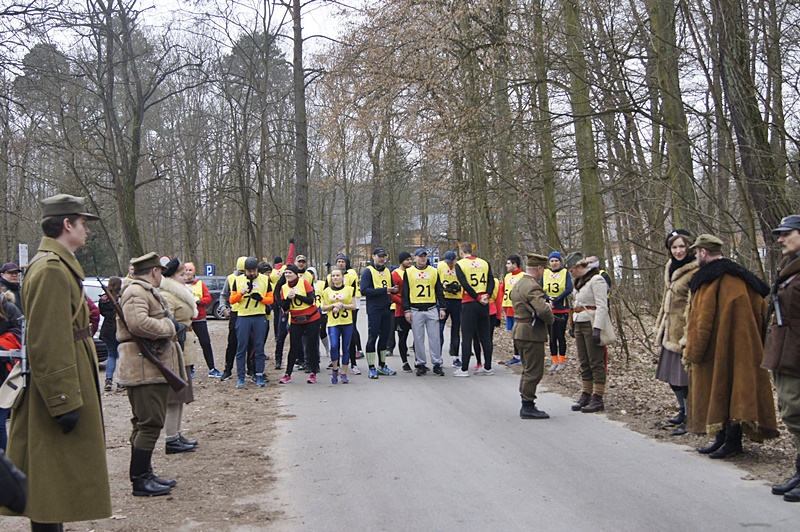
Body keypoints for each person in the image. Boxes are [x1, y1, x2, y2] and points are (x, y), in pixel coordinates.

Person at [3, 194, 112, 526]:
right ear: (67, 224)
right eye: (83, 223)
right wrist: (62, 399)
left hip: (67, 375)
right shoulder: (50, 269)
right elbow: (48, 341)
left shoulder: (57, 265)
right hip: (58, 384)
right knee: (49, 478)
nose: (87, 230)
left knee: (54, 478)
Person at [684, 234, 778, 458]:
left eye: (696, 252)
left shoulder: (719, 279)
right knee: (724, 389)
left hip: (727, 346)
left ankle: (732, 442)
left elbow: (703, 319)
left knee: (730, 390)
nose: (695, 256)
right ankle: (722, 438)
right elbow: (761, 310)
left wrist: (693, 351)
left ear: (704, 252)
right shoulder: (736, 275)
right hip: (732, 345)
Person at [117, 252, 185, 497]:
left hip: (148, 367)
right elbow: (138, 324)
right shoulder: (136, 292)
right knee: (150, 424)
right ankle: (140, 479)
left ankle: (145, 473)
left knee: (146, 423)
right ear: (155, 271)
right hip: (143, 368)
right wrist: (169, 326)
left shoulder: (142, 291)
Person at [764, 215, 800, 501]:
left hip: (796, 351)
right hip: (785, 350)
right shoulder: (789, 267)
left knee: (795, 411)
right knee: (789, 410)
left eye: (787, 233)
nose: (780, 239)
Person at [653, 230, 697, 436]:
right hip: (668, 331)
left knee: (683, 379)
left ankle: (690, 417)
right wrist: (660, 323)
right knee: (671, 378)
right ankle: (682, 410)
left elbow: (693, 304)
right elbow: (666, 298)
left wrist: (688, 333)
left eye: (682, 246)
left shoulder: (695, 269)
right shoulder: (670, 266)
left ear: (689, 247)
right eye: (674, 247)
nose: (678, 251)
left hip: (683, 332)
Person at [158, 258, 199, 454]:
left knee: (181, 395)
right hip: (175, 348)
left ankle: (176, 433)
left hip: (184, 346)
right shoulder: (167, 295)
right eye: (182, 274)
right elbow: (168, 323)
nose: (186, 277)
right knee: (174, 396)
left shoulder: (179, 293)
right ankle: (171, 438)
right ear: (172, 277)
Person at [565, 252, 611, 413]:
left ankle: (597, 397)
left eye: (572, 270)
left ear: (579, 267)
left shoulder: (596, 280)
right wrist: (572, 324)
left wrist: (597, 328)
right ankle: (586, 393)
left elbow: (602, 306)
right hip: (579, 323)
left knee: (595, 361)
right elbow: (576, 304)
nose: (571, 273)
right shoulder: (579, 282)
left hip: (591, 324)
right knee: (584, 361)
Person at [511, 254, 555, 419]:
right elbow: (542, 310)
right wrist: (550, 316)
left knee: (527, 368)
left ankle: (526, 401)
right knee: (534, 371)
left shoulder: (519, 283)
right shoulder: (532, 286)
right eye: (543, 270)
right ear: (539, 268)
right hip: (531, 332)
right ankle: (528, 405)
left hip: (519, 329)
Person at [229, 257, 274, 388]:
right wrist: (241, 293)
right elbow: (232, 300)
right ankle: (241, 377)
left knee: (259, 347)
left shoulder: (265, 280)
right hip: (243, 316)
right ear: (245, 271)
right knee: (241, 347)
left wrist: (261, 299)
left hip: (259, 316)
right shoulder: (238, 280)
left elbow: (271, 299)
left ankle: (259, 374)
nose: (252, 273)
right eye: (249, 271)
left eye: (254, 271)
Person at [453, 243, 495, 376]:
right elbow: (491, 281)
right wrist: (487, 295)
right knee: (485, 336)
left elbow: (464, 283)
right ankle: (488, 367)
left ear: (461, 251)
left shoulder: (460, 264)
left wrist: (476, 297)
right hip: (484, 302)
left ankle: (464, 369)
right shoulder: (484, 263)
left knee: (467, 336)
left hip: (469, 302)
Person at [402, 248, 446, 376]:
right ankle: (421, 363)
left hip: (431, 308)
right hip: (416, 309)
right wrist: (407, 310)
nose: (422, 258)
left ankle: (437, 363)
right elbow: (405, 293)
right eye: (420, 256)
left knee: (435, 338)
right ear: (415, 258)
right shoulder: (409, 272)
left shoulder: (433, 271)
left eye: (424, 256)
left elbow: (439, 290)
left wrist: (442, 307)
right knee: (418, 338)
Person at [277, 265, 321, 384]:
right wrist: (288, 298)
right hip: (296, 319)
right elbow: (285, 308)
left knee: (311, 346)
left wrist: (296, 296)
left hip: (311, 318)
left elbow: (311, 300)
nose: (287, 275)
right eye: (286, 273)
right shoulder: (284, 288)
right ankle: (288, 374)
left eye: (290, 273)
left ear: (296, 274)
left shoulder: (304, 283)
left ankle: (313, 372)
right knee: (294, 347)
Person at [360, 248, 399, 379]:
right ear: (373, 256)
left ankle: (382, 366)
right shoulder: (368, 271)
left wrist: (394, 289)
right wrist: (384, 290)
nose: (382, 259)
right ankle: (371, 367)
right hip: (374, 309)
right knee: (373, 337)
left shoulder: (387, 270)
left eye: (383, 256)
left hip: (386, 308)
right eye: (379, 256)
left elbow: (390, 287)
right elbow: (364, 290)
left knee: (384, 338)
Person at [185, 262, 221, 378]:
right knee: (188, 344)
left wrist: (199, 301)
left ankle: (212, 368)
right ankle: (189, 369)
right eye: (186, 270)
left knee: (205, 342)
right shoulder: (179, 284)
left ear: (194, 272)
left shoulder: (200, 284)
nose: (188, 272)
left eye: (190, 270)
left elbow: (208, 299)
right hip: (186, 319)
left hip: (199, 317)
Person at [321, 269, 357, 384]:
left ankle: (344, 373)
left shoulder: (349, 289)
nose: (335, 278)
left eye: (337, 275)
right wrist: (333, 305)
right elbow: (323, 307)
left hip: (347, 322)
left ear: (342, 277)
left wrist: (342, 305)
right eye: (333, 276)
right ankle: (335, 369)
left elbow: (353, 306)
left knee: (346, 347)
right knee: (334, 346)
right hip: (333, 323)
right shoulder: (327, 291)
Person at [0, 293, 23, 451]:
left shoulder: (8, 308)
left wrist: (3, 344)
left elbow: (21, 334)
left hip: (3, 373)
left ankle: (3, 459)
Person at [543, 251, 572, 371]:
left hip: (561, 308)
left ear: (560, 261)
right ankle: (554, 361)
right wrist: (548, 298)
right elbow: (540, 288)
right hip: (549, 308)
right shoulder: (546, 273)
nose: (554, 263)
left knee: (560, 335)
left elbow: (569, 288)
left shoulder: (565, 272)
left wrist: (557, 298)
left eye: (556, 261)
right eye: (552, 261)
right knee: (552, 336)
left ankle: (562, 361)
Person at [220, 256, 247, 381]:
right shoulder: (231, 278)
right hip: (235, 313)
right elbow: (224, 295)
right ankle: (228, 369)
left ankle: (251, 369)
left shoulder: (255, 277)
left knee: (251, 344)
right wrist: (224, 308)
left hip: (250, 313)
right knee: (232, 343)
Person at [496, 255, 524, 366]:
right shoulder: (507, 276)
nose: (506, 266)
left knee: (519, 333)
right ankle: (516, 355)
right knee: (513, 333)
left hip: (518, 309)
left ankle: (522, 356)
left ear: (515, 264)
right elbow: (502, 290)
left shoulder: (523, 276)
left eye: (508, 263)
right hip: (508, 308)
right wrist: (503, 303)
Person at [438, 250, 463, 368]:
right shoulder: (440, 266)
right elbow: (436, 281)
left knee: (456, 328)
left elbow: (466, 282)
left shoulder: (460, 266)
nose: (449, 265)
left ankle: (455, 356)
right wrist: (443, 287)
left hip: (457, 300)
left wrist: (459, 287)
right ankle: (438, 356)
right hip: (444, 300)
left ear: (455, 260)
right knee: (440, 328)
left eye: (451, 262)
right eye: (448, 262)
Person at [390, 251, 414, 372]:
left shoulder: (413, 272)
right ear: (401, 261)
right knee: (402, 337)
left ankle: (419, 361)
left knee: (418, 336)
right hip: (401, 310)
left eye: (410, 259)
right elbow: (392, 295)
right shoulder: (395, 274)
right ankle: (405, 362)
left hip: (415, 308)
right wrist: (404, 304)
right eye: (407, 260)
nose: (409, 262)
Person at [99, 276, 123, 392]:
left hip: (108, 330)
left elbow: (102, 313)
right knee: (121, 356)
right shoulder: (122, 298)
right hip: (120, 329)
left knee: (111, 355)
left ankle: (108, 380)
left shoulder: (103, 299)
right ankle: (121, 381)